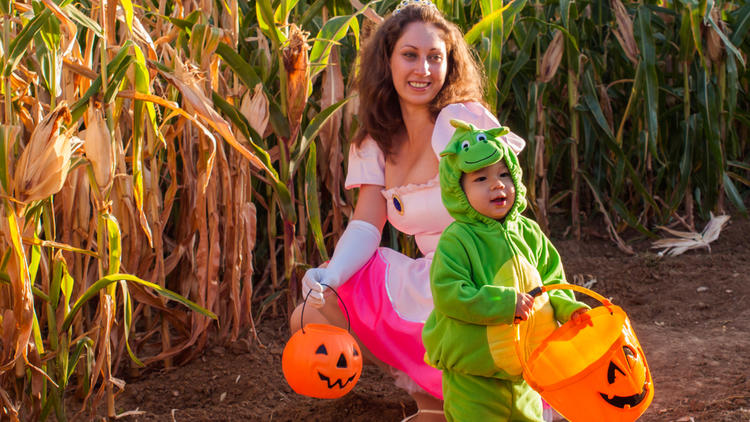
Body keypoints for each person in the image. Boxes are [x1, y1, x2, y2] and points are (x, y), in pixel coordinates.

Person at [289, 1, 524, 420]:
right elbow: (365, 225)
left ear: (449, 64)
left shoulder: (461, 125)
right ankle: (431, 398)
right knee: (313, 310)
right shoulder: (375, 141)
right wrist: (331, 275)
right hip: (432, 276)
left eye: (435, 57)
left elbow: (506, 201)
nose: (424, 69)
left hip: (481, 274)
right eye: (410, 55)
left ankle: (463, 396)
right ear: (388, 60)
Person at [421, 120, 590, 421]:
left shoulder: (529, 233)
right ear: (458, 190)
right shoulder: (457, 241)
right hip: (476, 378)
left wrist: (570, 309)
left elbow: (553, 283)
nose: (497, 185)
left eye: (503, 174)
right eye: (480, 179)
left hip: (524, 372)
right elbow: (450, 294)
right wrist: (503, 304)